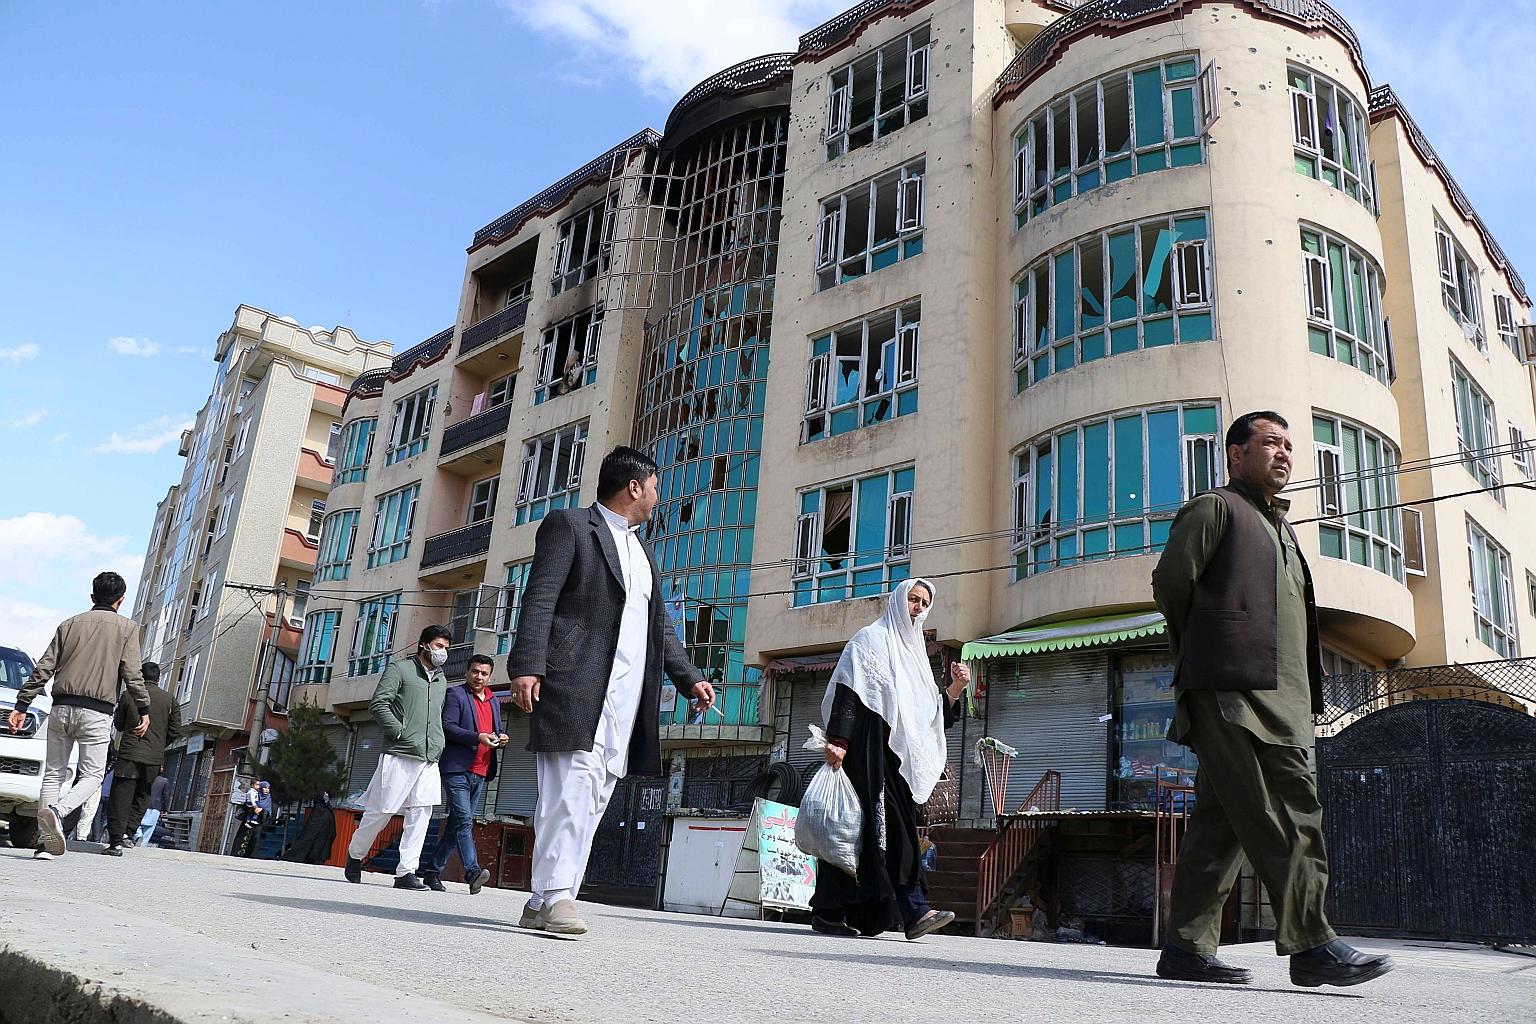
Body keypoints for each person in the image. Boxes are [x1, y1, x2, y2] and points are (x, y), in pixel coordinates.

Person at [1151, 411, 1394, 989]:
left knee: (1222, 824)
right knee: (1283, 813)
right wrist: (1212, 648)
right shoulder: (1216, 508)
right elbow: (1171, 586)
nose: (1283, 454)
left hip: (1283, 701)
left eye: (1289, 445)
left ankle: (1186, 947)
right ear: (1235, 454)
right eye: (1269, 443)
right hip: (1231, 693)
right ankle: (1312, 946)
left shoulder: (1281, 528)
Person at [507, 446, 715, 937]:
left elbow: (658, 628)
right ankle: (558, 897)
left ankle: (543, 898)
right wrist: (527, 666)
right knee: (570, 792)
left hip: (624, 697)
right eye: (657, 487)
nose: (659, 497)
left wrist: (689, 677)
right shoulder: (571, 526)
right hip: (573, 684)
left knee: (595, 795)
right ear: (634, 487)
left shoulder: (641, 552)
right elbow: (539, 598)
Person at [810, 578, 967, 940]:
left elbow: (925, 715)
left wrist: (955, 691)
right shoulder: (870, 640)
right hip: (864, 756)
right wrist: (838, 739)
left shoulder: (916, 657)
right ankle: (913, 909)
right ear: (898, 601)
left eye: (924, 603)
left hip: (897, 764)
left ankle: (832, 911)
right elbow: (849, 690)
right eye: (913, 599)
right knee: (866, 832)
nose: (918, 608)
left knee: (870, 835)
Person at [8, 572, 151, 859]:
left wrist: (22, 704)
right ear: (121, 600)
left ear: (92, 597)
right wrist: (143, 709)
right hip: (96, 712)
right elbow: (133, 674)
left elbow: (44, 668)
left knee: (53, 774)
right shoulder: (127, 628)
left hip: (60, 707)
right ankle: (58, 814)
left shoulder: (69, 624)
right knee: (93, 775)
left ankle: (44, 845)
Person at [344, 624, 450, 890]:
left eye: (446, 648)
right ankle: (355, 854)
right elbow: (379, 703)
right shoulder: (399, 669)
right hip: (400, 753)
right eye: (439, 646)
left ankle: (406, 872)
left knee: (421, 813)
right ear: (424, 644)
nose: (443, 653)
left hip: (429, 756)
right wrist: (398, 731)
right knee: (381, 811)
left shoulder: (441, 679)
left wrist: (438, 742)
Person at [422, 654, 507, 894]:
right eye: (475, 671)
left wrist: (501, 737)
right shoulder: (456, 695)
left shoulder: (493, 700)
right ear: (467, 672)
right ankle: (472, 872)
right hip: (457, 769)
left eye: (484, 673)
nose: (479, 676)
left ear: (490, 676)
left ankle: (432, 871)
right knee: (464, 820)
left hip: (481, 770)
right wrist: (476, 737)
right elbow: (447, 727)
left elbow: (496, 729)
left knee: (456, 825)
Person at [104, 660, 181, 855]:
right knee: (142, 796)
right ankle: (128, 834)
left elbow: (119, 725)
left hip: (129, 754)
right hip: (153, 758)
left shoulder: (128, 695)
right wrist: (158, 744)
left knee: (121, 796)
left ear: (140, 676)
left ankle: (115, 841)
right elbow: (175, 730)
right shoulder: (170, 699)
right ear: (159, 678)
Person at [134, 773, 170, 847]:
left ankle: (138, 835)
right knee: (149, 829)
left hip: (142, 804)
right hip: (156, 807)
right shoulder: (164, 781)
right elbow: (166, 795)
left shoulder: (144, 778)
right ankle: (142, 847)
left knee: (137, 823)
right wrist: (165, 809)